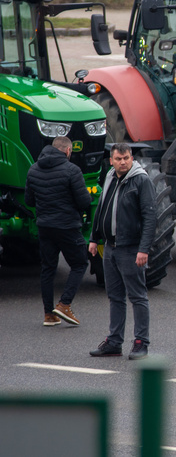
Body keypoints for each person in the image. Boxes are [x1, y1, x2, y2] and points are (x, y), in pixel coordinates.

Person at [88, 144, 156, 360]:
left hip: (131, 249)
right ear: (111, 161)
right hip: (110, 248)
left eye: (126, 158)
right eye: (118, 159)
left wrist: (143, 249)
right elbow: (101, 208)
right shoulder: (109, 177)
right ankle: (114, 342)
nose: (123, 162)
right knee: (115, 296)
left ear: (131, 158)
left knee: (138, 297)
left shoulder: (141, 180)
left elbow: (150, 217)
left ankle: (140, 343)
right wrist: (94, 238)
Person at [25, 136, 91, 327]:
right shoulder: (72, 170)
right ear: (68, 151)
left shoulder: (33, 169)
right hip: (67, 226)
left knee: (48, 269)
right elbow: (84, 202)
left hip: (45, 226)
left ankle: (48, 314)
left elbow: (29, 201)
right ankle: (64, 304)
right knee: (79, 264)